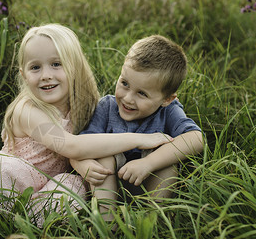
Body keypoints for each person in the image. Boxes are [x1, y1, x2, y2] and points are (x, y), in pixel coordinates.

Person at [0, 24, 172, 227]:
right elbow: (71, 146)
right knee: (5, 169)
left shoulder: (83, 105)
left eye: (56, 64)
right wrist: (142, 138)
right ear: (23, 74)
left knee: (72, 187)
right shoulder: (27, 110)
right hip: (16, 178)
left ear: (74, 67)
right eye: (35, 67)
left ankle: (29, 226)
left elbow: (92, 144)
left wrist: (80, 165)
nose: (46, 75)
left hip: (49, 184)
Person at [71, 35, 204, 213]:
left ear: (166, 99)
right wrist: (82, 165)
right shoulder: (107, 106)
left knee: (167, 162)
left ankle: (153, 220)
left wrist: (148, 163)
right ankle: (107, 221)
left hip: (147, 182)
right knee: (102, 157)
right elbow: (81, 145)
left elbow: (196, 138)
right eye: (124, 83)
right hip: (110, 184)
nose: (127, 98)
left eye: (142, 93)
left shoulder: (169, 110)